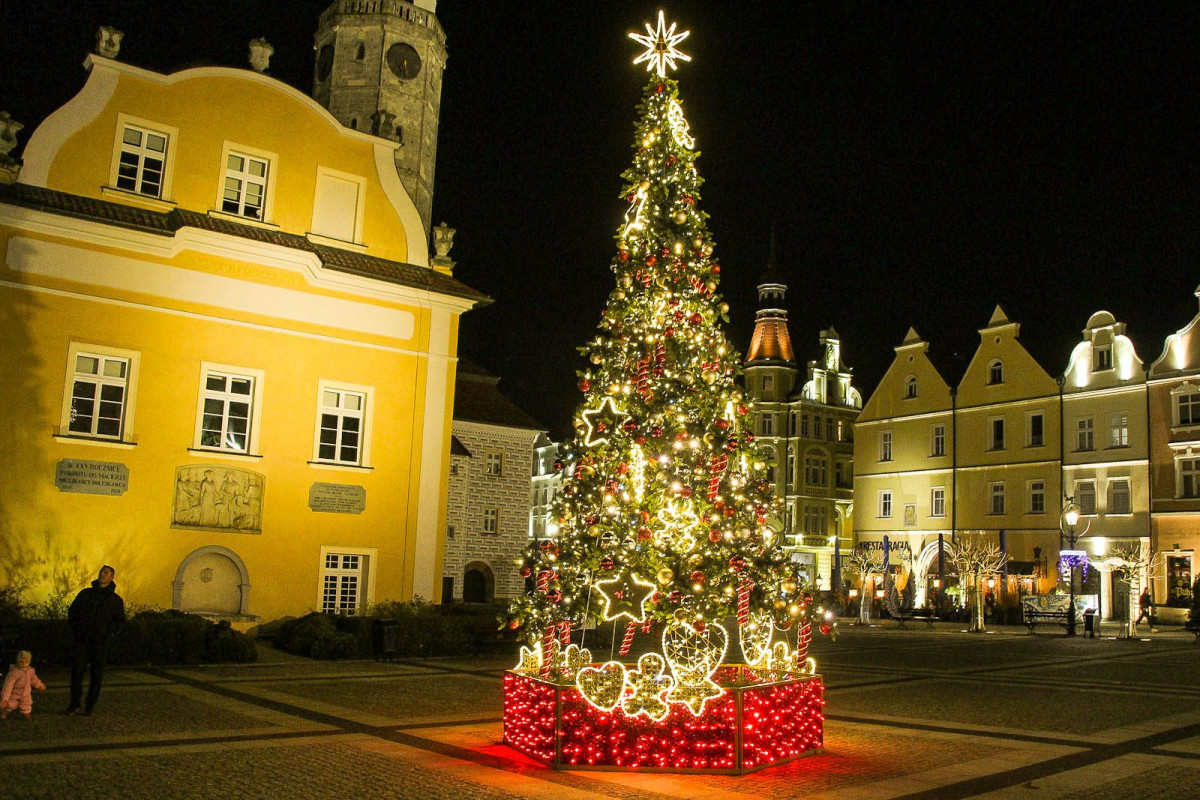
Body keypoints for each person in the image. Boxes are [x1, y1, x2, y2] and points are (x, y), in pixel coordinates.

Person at [66, 565, 125, 716]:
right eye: (101, 572)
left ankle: (90, 705)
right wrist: (78, 629)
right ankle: (74, 703)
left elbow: (119, 621)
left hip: (100, 642)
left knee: (96, 675)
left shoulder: (115, 600)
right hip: (82, 640)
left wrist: (108, 633)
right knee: (77, 672)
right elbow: (73, 612)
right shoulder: (85, 594)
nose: (102, 575)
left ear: (111, 577)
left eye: (106, 573)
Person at [1, 650, 46, 720]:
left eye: (26, 662)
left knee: (26, 704)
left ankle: (26, 714)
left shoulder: (30, 671)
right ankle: (4, 712)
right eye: (21, 662)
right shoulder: (14, 672)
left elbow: (34, 679)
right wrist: (5, 697)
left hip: (25, 693)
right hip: (14, 693)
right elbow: (8, 685)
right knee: (10, 704)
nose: (23, 664)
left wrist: (39, 685)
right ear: (17, 661)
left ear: (29, 662)